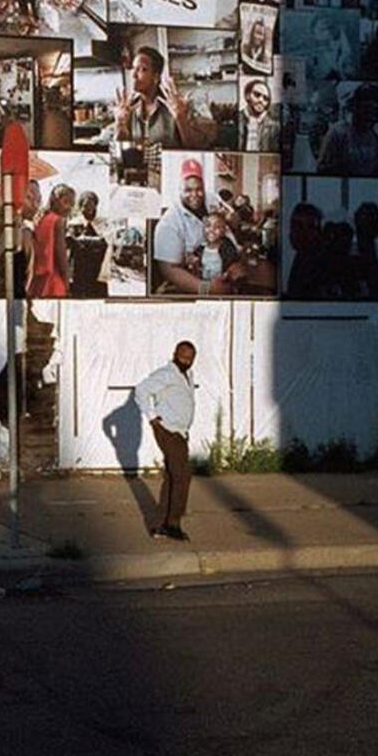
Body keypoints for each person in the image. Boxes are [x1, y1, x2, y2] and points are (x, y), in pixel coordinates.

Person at [133, 341, 197, 541]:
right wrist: (152, 417)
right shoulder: (167, 373)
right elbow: (141, 390)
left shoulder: (187, 374)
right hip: (168, 430)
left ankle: (162, 524)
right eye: (183, 356)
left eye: (190, 358)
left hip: (180, 432)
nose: (186, 361)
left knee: (173, 476)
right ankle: (173, 524)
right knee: (182, 476)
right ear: (175, 354)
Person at [113, 46, 216, 149]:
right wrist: (120, 124)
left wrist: (181, 118)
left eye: (142, 69)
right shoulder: (128, 107)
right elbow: (120, 149)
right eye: (133, 68)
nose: (134, 75)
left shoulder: (176, 105)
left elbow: (194, 148)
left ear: (156, 77)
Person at [152, 158, 226, 294]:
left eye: (199, 189)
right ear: (179, 189)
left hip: (222, 270)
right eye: (188, 190)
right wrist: (207, 289)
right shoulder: (168, 223)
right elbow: (169, 270)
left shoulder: (212, 200)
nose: (194, 195)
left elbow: (226, 227)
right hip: (192, 285)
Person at [317, 83, 378, 175]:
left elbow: (376, 165)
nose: (372, 116)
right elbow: (321, 168)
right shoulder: (337, 133)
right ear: (354, 108)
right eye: (366, 109)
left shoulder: (373, 135)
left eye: (375, 110)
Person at [29, 184, 72, 297]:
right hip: (53, 279)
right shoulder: (58, 221)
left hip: (38, 278)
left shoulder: (40, 218)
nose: (69, 207)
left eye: (72, 204)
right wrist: (66, 281)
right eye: (66, 202)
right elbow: (61, 254)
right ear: (55, 201)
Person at [240, 78, 280, 153]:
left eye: (266, 98)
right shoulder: (236, 119)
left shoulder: (274, 127)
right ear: (247, 95)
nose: (261, 100)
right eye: (257, 95)